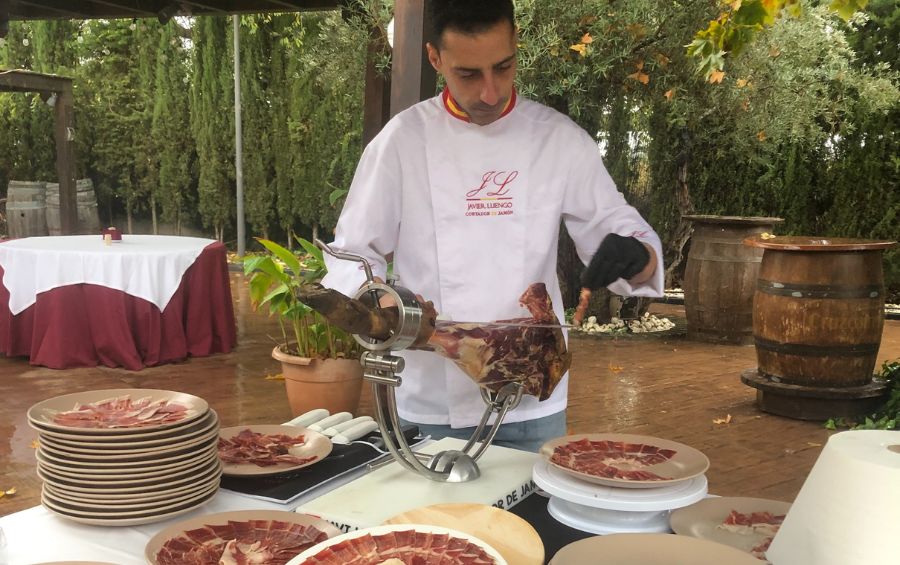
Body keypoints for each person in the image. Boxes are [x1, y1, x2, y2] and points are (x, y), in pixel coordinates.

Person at [321, 0, 663, 453]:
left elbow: (617, 230)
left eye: (503, 68)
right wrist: (380, 300)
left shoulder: (558, 139)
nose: (489, 92)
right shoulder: (402, 142)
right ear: (434, 58)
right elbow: (352, 251)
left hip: (532, 396)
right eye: (468, 74)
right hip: (432, 397)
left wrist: (638, 257)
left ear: (516, 44)